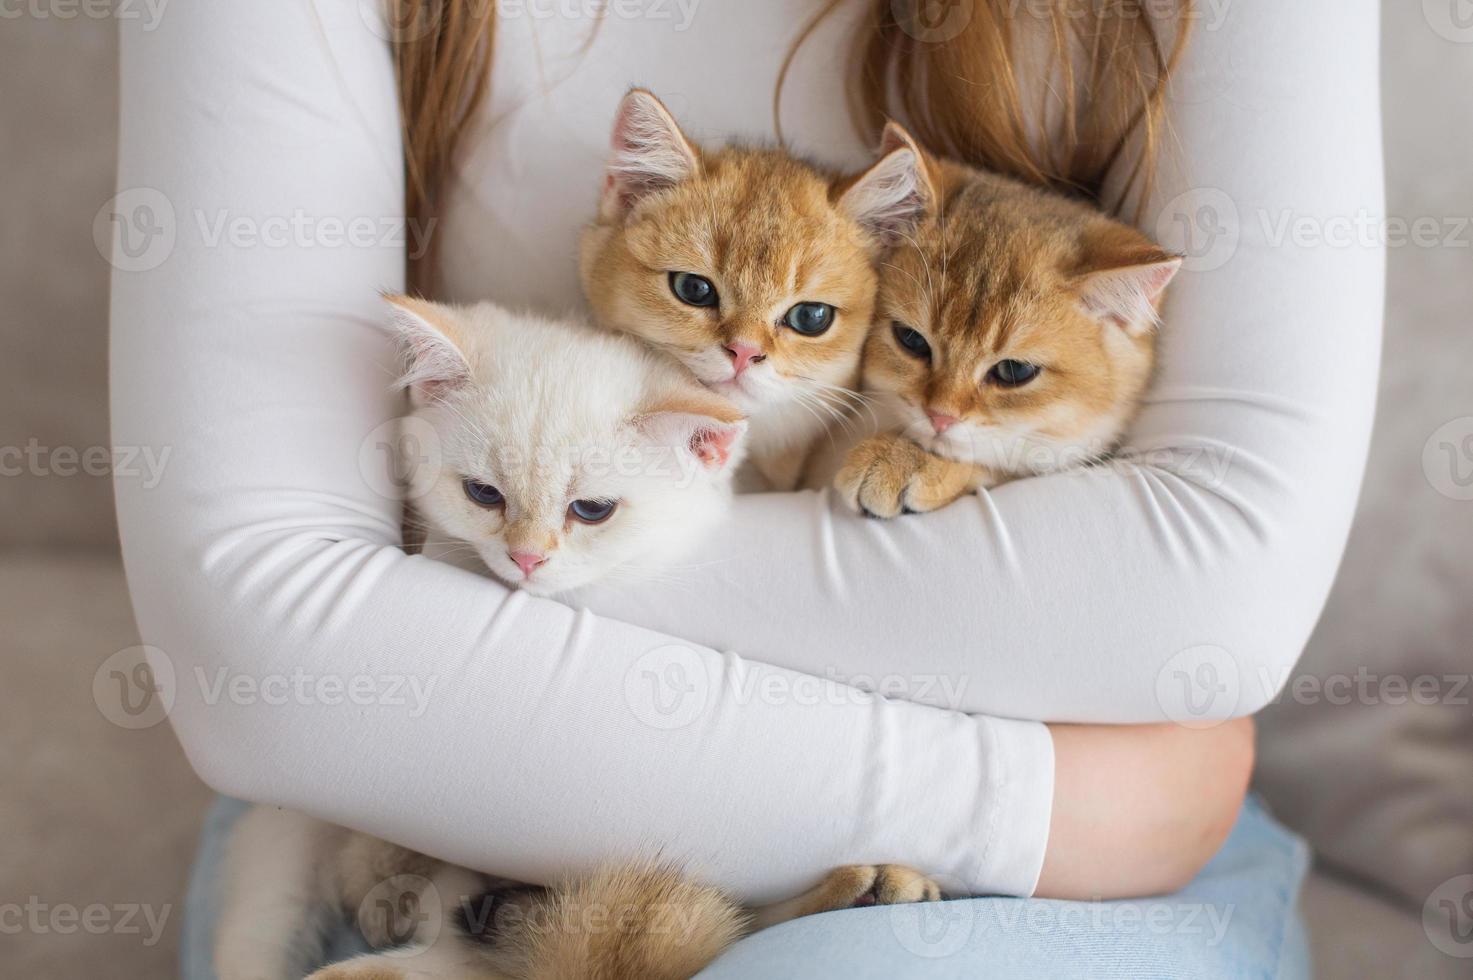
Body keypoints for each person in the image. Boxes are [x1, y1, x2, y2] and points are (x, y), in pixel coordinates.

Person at [108, 1, 1383, 976]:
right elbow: (261, 647)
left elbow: (1207, 593)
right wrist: (1042, 803)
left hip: (456, 705)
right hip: (430, 783)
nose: (746, 352)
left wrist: (463, 574)